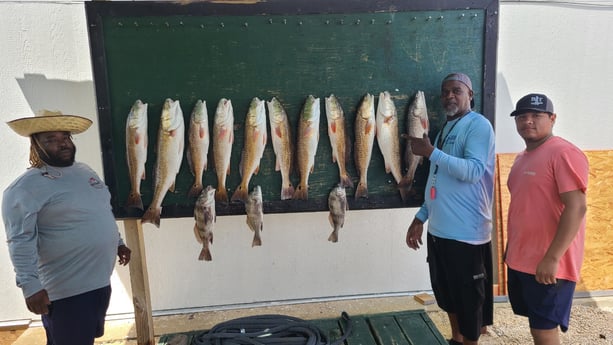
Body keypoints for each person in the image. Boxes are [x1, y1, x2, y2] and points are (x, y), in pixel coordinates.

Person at [2, 110, 131, 345]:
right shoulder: (24, 188)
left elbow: (101, 209)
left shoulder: (85, 172)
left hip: (99, 283)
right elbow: (20, 240)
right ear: (35, 145)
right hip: (64, 293)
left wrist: (119, 243)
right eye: (51, 139)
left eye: (65, 138)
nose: (63, 144)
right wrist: (30, 287)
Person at [405, 73, 496, 345]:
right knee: (448, 297)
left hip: (466, 235)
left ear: (471, 96)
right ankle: (456, 340)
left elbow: (473, 170)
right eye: (445, 92)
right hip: (439, 232)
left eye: (456, 90)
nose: (449, 96)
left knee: (469, 304)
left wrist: (431, 152)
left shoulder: (478, 126)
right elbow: (436, 180)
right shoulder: (444, 129)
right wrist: (421, 216)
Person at [505, 94, 588, 345]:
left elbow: (577, 207)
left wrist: (552, 258)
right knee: (535, 325)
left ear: (552, 119)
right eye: (522, 116)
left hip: (548, 263)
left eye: (536, 115)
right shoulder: (521, 158)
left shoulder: (563, 153)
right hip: (521, 259)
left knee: (544, 330)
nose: (527, 121)